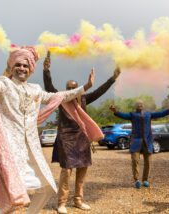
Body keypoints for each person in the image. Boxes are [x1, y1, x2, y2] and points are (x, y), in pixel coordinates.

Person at [0, 22, 102, 213]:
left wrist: (85, 88)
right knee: (11, 200)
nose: (22, 68)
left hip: (31, 151)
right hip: (9, 152)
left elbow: (59, 97)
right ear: (12, 67)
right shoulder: (4, 85)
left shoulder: (35, 90)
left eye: (25, 65)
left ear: (30, 68)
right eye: (18, 64)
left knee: (48, 189)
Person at [43, 52, 121, 213]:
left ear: (78, 89)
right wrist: (46, 71)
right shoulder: (61, 98)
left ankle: (78, 200)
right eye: (69, 88)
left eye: (74, 88)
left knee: (83, 168)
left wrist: (113, 78)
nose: (71, 90)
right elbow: (49, 87)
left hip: (82, 138)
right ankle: (62, 203)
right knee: (67, 170)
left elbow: (100, 91)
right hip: (66, 138)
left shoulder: (84, 99)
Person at [109, 100, 169, 189]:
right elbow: (122, 115)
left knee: (148, 162)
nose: (139, 105)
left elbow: (162, 113)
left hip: (147, 142)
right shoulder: (132, 115)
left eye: (141, 104)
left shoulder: (149, 114)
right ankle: (136, 180)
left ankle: (145, 180)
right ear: (135, 106)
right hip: (136, 141)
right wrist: (115, 111)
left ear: (143, 106)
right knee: (135, 160)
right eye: (138, 104)